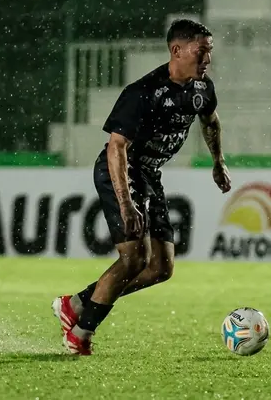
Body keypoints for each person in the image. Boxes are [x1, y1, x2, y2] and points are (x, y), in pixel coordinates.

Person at [52, 19, 231, 356]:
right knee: (135, 258)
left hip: (149, 174)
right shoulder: (143, 92)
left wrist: (218, 162)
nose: (207, 59)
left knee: (161, 268)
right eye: (201, 51)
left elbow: (211, 121)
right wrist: (126, 204)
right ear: (177, 50)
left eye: (209, 52)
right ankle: (80, 333)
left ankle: (76, 303)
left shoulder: (202, 89)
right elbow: (116, 148)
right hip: (120, 171)